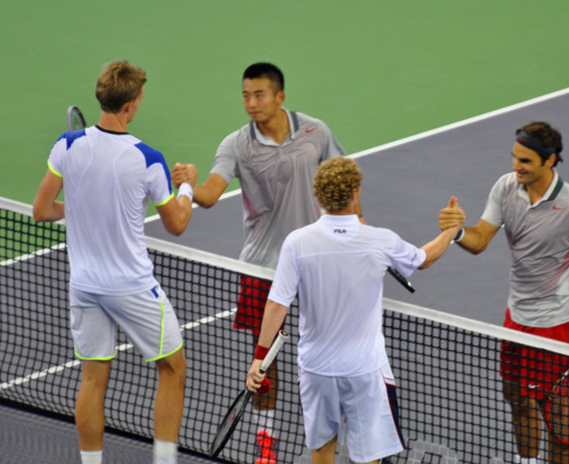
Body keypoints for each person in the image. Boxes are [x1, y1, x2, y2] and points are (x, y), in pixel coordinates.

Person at [171, 62, 351, 463]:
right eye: (245, 95)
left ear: (280, 97)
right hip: (262, 268)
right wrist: (187, 183)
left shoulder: (315, 132)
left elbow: (346, 183)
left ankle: (331, 441)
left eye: (259, 95)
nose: (250, 103)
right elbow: (211, 194)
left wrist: (355, 238)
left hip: (318, 262)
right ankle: (265, 447)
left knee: (326, 358)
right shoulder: (236, 144)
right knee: (263, 361)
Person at [245, 157, 463, 464]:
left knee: (322, 450)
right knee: (368, 457)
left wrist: (260, 358)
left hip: (316, 368)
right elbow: (424, 258)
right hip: (365, 371)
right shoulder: (380, 240)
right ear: (355, 192)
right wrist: (451, 231)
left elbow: (277, 303)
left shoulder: (297, 243)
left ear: (317, 194)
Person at [33, 60, 198, 464]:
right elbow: (177, 222)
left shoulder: (67, 145)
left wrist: (84, 206)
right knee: (174, 369)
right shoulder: (147, 158)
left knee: (92, 379)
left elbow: (42, 209)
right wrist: (188, 185)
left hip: (85, 286)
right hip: (131, 287)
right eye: (139, 99)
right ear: (130, 106)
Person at [438, 121, 569, 464]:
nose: (516, 166)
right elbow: (480, 240)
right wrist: (457, 232)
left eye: (525, 161)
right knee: (517, 398)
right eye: (514, 158)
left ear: (549, 161)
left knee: (555, 413)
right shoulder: (505, 187)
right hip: (515, 317)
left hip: (555, 324)